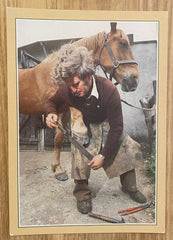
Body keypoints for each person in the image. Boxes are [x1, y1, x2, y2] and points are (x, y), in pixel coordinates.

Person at [46, 44, 146, 214]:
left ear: (88, 75)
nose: (73, 90)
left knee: (126, 146)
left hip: (108, 124)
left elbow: (117, 127)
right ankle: (82, 195)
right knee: (78, 151)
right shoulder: (68, 89)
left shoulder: (109, 90)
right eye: (69, 85)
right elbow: (51, 102)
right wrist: (51, 113)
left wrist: (102, 155)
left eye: (76, 84)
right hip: (87, 123)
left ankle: (130, 187)